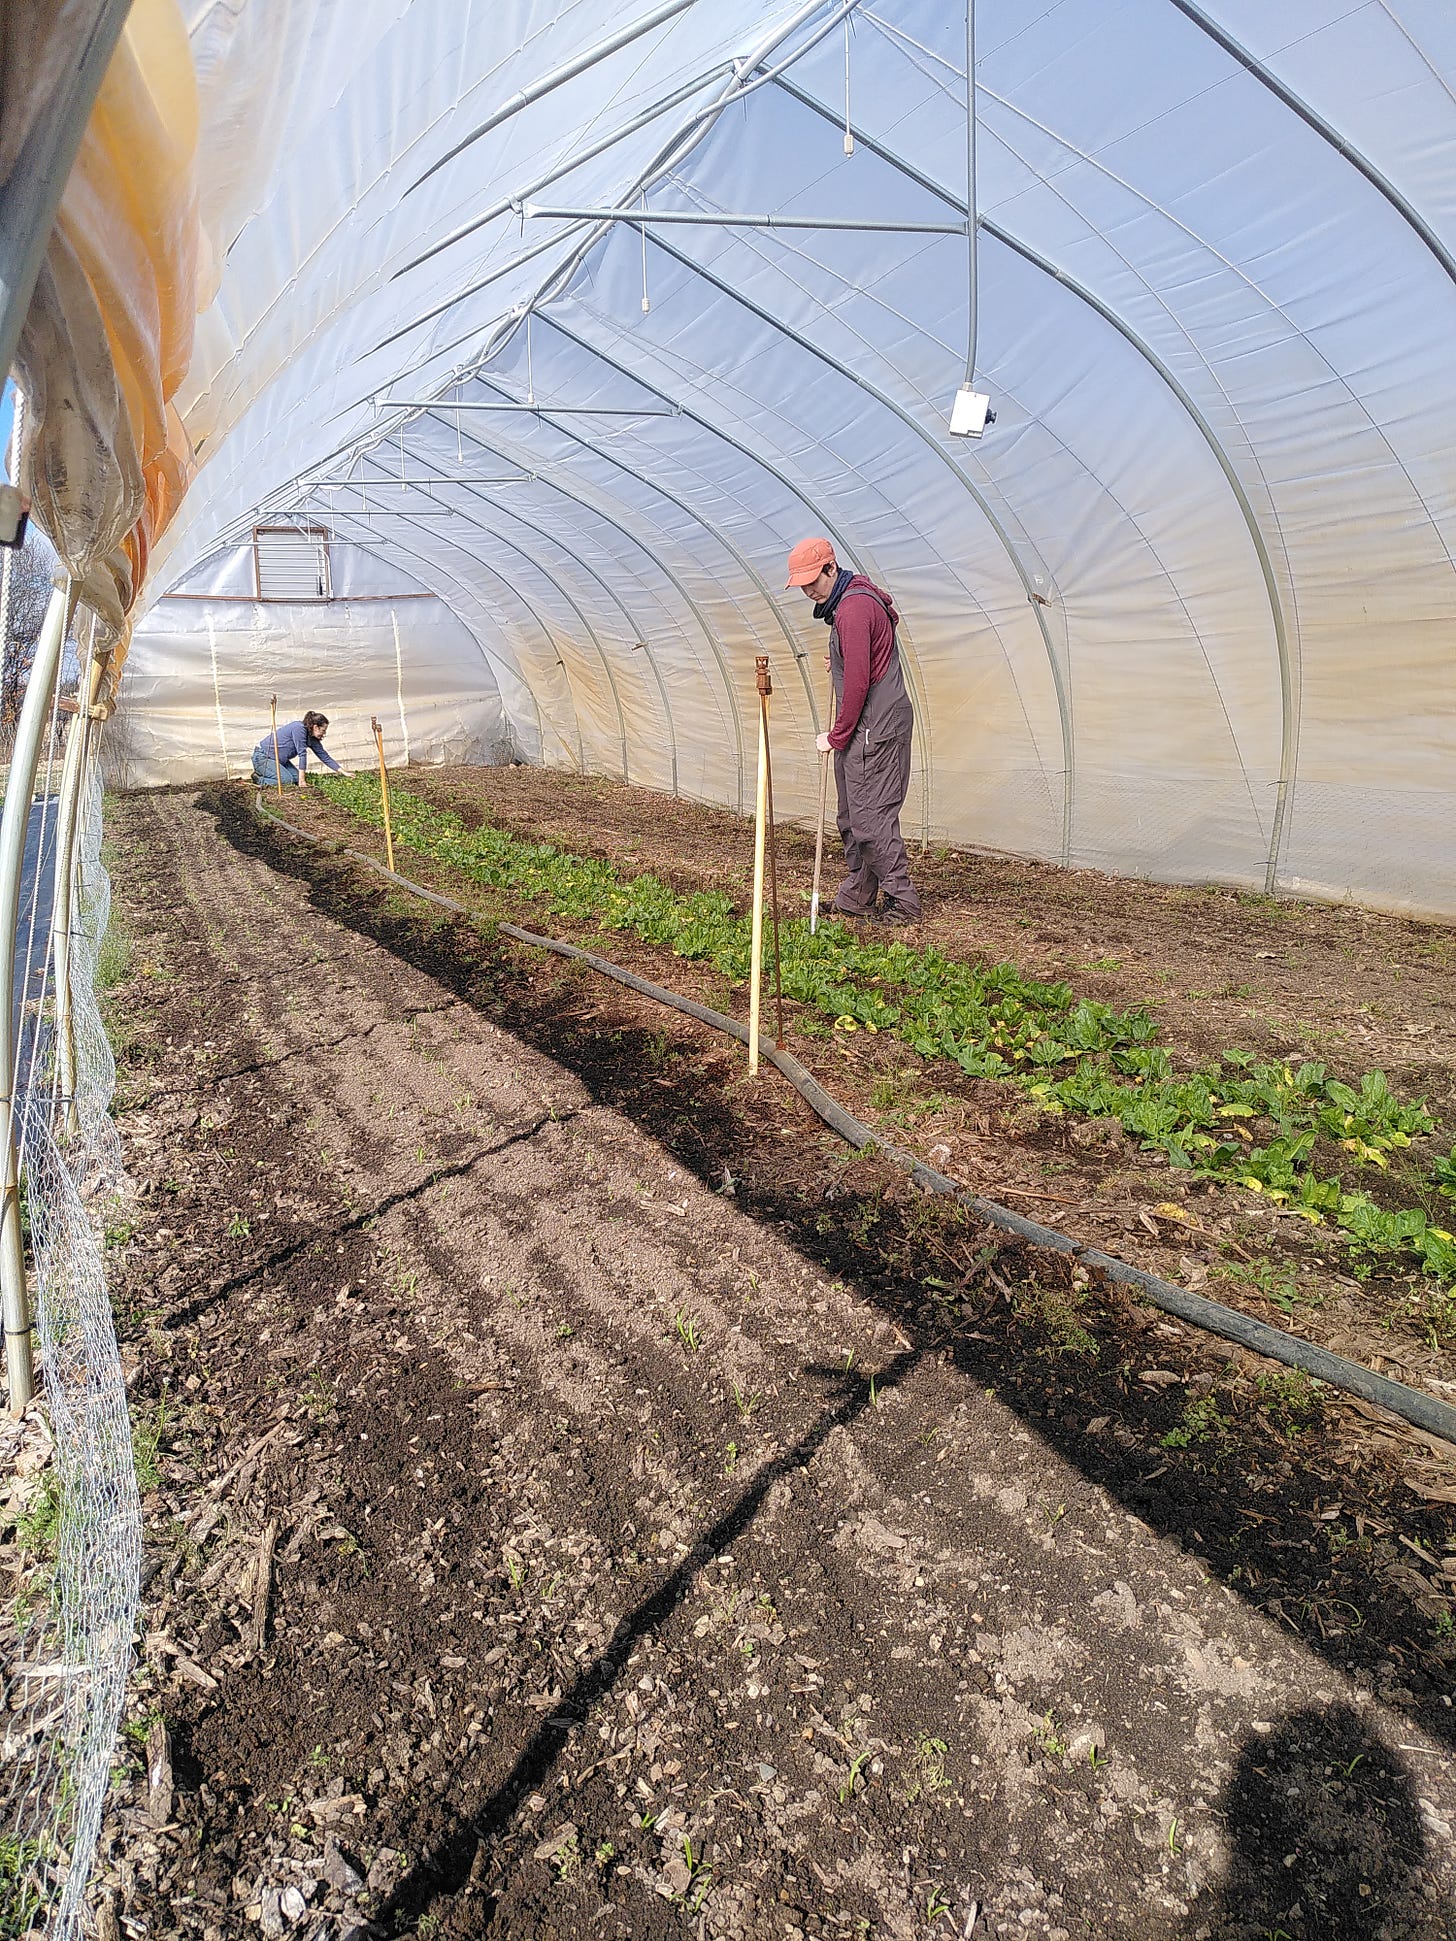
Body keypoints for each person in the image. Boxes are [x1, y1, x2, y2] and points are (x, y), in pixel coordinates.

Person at [785, 537, 921, 924]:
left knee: (870, 818)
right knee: (851, 815)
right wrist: (842, 656)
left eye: (813, 580)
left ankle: (903, 900)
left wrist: (836, 736)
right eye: (802, 585)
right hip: (866, 726)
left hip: (873, 728)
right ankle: (857, 896)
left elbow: (860, 683)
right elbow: (866, 653)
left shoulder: (854, 608)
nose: (809, 591)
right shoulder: (851, 604)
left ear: (831, 568)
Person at [252, 711, 344, 788]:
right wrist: (302, 781)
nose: (324, 733)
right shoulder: (299, 728)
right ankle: (259, 779)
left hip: (278, 761)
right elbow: (302, 754)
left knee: (295, 778)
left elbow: (324, 756)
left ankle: (270, 774)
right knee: (287, 780)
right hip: (263, 757)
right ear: (316, 727)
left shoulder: (312, 737)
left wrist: (342, 771)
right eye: (323, 730)